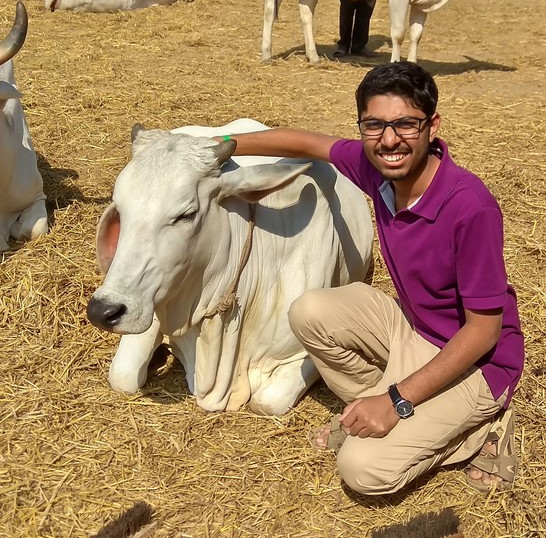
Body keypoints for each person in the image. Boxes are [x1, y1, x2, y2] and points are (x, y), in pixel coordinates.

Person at [216, 62, 523, 496]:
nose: (390, 139)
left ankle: (482, 426)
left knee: (363, 471)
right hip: (416, 330)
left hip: (479, 362)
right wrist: (219, 143)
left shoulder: (470, 207)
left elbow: (483, 331)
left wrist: (397, 401)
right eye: (374, 125)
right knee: (309, 311)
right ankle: (383, 408)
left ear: (432, 125)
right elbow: (304, 142)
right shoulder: (377, 167)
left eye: (406, 125)